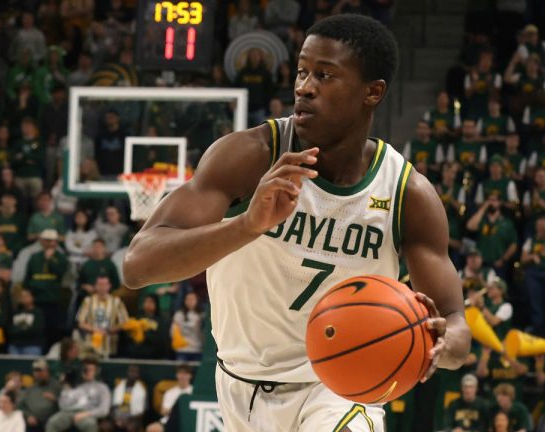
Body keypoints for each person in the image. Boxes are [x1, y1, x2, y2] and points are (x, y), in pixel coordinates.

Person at [124, 14, 470, 431]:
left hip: (340, 389)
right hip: (238, 383)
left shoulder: (407, 194)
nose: (304, 87)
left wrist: (441, 344)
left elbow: (454, 322)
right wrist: (246, 225)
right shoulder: (249, 156)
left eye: (325, 75)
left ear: (372, 93)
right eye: (302, 71)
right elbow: (137, 267)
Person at [24, 228, 68, 346]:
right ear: (42, 241)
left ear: (56, 242)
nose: (49, 243)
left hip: (52, 300)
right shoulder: (34, 257)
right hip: (36, 300)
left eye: (51, 241)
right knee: (36, 329)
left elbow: (60, 273)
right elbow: (27, 278)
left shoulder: (61, 257)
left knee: (52, 329)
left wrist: (50, 260)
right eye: (46, 241)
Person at [45, 359, 110, 432]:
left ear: (96, 371)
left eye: (91, 370)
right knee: (52, 423)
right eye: (85, 369)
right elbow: (62, 405)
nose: (87, 372)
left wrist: (85, 414)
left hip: (87, 413)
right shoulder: (72, 385)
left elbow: (104, 410)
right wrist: (66, 387)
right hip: (68, 412)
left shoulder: (102, 387)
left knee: (90, 424)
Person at [466, 194, 518, 279]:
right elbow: (470, 227)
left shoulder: (507, 223)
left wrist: (503, 259)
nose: (491, 203)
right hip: (481, 263)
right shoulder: (482, 219)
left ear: (500, 203)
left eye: (494, 200)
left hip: (498, 264)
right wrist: (483, 208)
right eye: (489, 200)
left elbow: (513, 244)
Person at [76, 275, 128, 358]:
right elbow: (80, 322)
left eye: (104, 284)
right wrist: (95, 330)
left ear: (109, 286)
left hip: (111, 345)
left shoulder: (117, 301)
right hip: (92, 345)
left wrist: (110, 329)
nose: (102, 287)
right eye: (100, 284)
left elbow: (125, 323)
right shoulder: (88, 301)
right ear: (95, 286)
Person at [20, 359, 61, 431]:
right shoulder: (30, 388)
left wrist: (55, 399)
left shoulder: (57, 386)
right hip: (33, 421)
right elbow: (21, 405)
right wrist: (28, 416)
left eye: (41, 370)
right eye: (36, 371)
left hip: (50, 420)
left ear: (47, 371)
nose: (39, 374)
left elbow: (66, 405)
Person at [8, 289, 45, 355]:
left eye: (26, 296)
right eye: (22, 296)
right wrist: (24, 330)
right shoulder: (15, 313)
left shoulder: (38, 313)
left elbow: (36, 329)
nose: (24, 298)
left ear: (32, 297)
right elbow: (10, 328)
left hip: (32, 345)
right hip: (15, 346)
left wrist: (19, 330)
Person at [110, 365, 146, 431]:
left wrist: (127, 420)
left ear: (138, 375)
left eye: (136, 372)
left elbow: (141, 413)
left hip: (132, 419)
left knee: (131, 427)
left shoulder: (141, 390)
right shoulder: (119, 387)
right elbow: (112, 407)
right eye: (131, 371)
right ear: (127, 373)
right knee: (106, 426)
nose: (133, 374)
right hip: (116, 417)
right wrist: (115, 419)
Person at [172, 291, 205, 362]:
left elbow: (203, 334)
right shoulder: (179, 314)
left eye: (192, 299)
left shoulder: (202, 315)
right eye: (187, 299)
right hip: (182, 349)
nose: (190, 301)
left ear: (197, 301)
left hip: (197, 349)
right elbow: (173, 332)